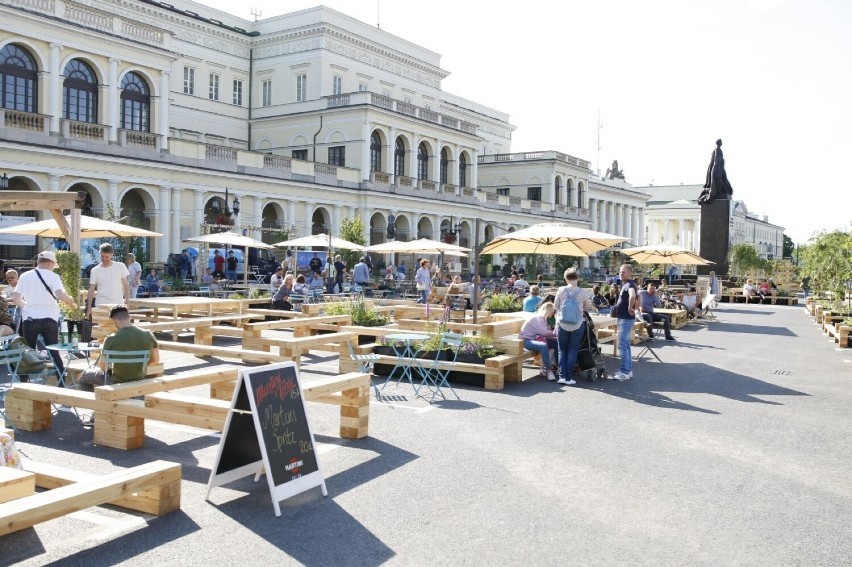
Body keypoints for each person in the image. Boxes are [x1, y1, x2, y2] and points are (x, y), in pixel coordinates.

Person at [12, 251, 78, 383]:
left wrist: (27, 307)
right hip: (50, 319)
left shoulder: (25, 276)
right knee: (54, 352)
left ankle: (24, 383)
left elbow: (16, 299)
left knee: (27, 353)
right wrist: (70, 300)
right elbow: (59, 294)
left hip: (30, 319)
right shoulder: (54, 276)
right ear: (49, 262)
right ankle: (61, 383)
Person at [79, 304, 159, 392]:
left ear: (115, 321)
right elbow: (155, 360)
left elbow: (103, 367)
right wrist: (140, 366)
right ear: (130, 317)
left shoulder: (110, 339)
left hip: (115, 381)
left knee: (83, 376)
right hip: (139, 379)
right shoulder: (148, 335)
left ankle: (96, 404)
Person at [553, 269, 593, 386]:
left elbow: (556, 305)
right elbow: (586, 307)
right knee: (572, 350)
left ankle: (562, 377)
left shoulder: (561, 290)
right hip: (577, 325)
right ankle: (569, 377)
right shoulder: (582, 292)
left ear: (566, 279)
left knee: (562, 351)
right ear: (577, 278)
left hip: (562, 324)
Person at [86, 243, 130, 317]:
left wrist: (127, 302)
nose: (104, 259)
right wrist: (89, 308)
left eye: (107, 256)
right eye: (102, 256)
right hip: (101, 305)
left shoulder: (120, 266)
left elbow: (126, 285)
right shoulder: (95, 270)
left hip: (118, 304)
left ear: (112, 255)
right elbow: (91, 289)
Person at [612, 264, 638, 381]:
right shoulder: (627, 284)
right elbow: (639, 298)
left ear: (630, 273)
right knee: (626, 345)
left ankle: (625, 371)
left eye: (623, 272)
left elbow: (633, 296)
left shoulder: (629, 284)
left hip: (626, 319)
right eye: (620, 272)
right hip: (624, 318)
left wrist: (629, 307)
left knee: (622, 345)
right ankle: (628, 370)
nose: (620, 273)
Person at [519, 301, 557, 381]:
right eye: (553, 311)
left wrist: (556, 337)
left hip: (533, 339)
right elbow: (544, 333)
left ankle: (558, 367)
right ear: (548, 311)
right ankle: (549, 371)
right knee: (543, 346)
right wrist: (557, 333)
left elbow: (544, 334)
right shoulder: (538, 319)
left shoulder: (542, 318)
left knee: (557, 344)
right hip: (526, 341)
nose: (553, 314)